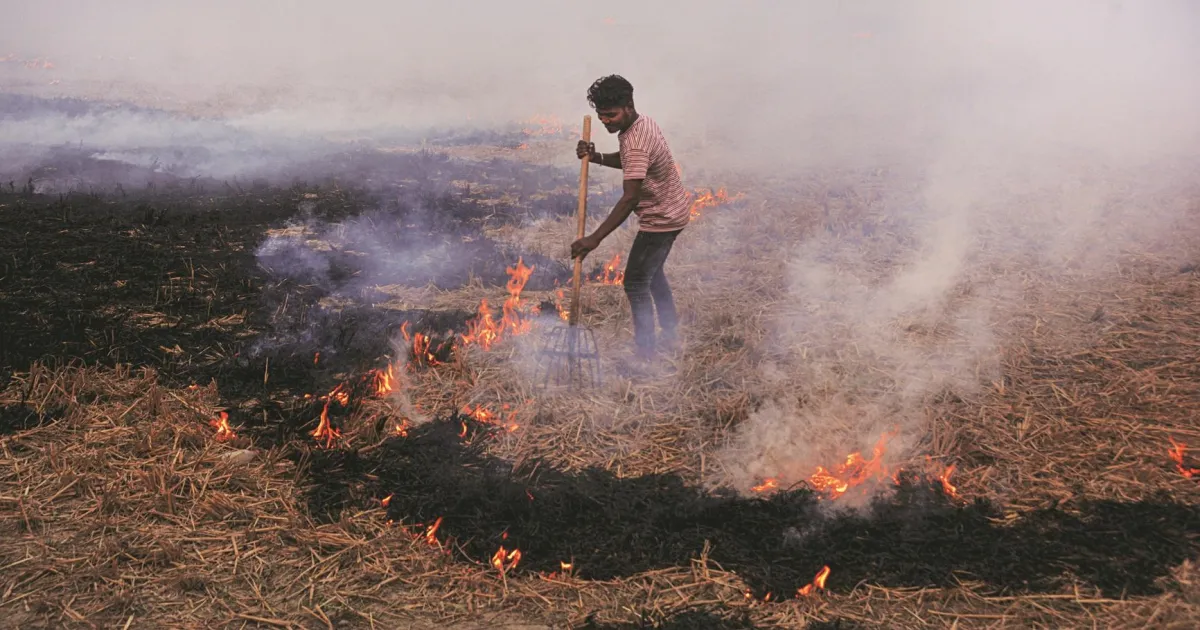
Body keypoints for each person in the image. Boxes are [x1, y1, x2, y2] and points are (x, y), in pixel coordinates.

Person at [571, 75, 693, 362]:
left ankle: (646, 354)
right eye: (601, 117)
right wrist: (596, 155)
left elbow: (630, 198)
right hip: (674, 211)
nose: (606, 122)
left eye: (611, 115)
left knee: (635, 283)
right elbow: (629, 159)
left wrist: (593, 239)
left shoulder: (636, 140)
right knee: (653, 276)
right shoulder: (641, 124)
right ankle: (672, 334)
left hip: (661, 220)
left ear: (628, 106)